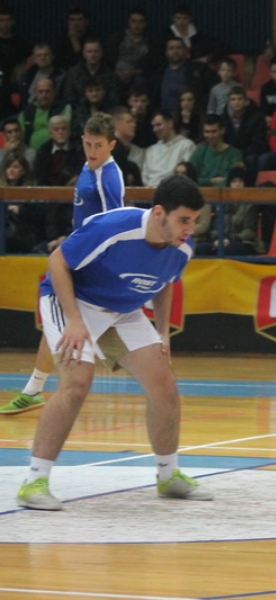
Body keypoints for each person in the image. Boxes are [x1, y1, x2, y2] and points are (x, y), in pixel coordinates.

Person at [14, 174, 213, 510]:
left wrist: (162, 331)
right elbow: (57, 262)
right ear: (159, 213)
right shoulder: (114, 227)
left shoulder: (183, 248)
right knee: (77, 382)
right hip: (73, 301)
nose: (189, 229)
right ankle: (34, 481)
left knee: (164, 385)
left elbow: (165, 282)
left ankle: (168, 476)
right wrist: (74, 320)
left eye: (194, 221)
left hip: (122, 310)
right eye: (183, 220)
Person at [2, 113, 124, 416]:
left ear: (112, 145)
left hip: (89, 261)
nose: (92, 150)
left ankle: (112, 355)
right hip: (78, 252)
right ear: (82, 140)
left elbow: (115, 227)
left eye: (99, 145)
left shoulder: (108, 178)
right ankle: (33, 390)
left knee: (63, 316)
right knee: (57, 323)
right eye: (88, 144)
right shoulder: (88, 166)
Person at [143, 109, 197, 188]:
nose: (155, 130)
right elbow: (145, 177)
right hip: (150, 191)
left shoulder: (186, 145)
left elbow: (188, 175)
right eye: (153, 126)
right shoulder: (151, 150)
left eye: (159, 125)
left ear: (170, 123)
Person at [62, 37, 119, 107]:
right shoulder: (73, 73)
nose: (93, 55)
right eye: (89, 52)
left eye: (96, 51)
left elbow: (113, 98)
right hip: (79, 110)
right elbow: (69, 97)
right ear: (84, 54)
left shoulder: (110, 74)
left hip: (104, 110)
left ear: (101, 53)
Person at [189, 114, 243, 187]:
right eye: (207, 132)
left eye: (214, 131)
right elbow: (189, 179)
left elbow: (234, 181)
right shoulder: (198, 153)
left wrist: (202, 181)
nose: (210, 136)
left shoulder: (235, 154)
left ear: (222, 131)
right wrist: (211, 181)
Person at [19, 78, 71, 151]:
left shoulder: (63, 108)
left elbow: (65, 132)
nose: (44, 95)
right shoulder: (26, 112)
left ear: (54, 93)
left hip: (57, 151)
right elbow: (19, 136)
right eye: (40, 92)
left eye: (48, 91)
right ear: (35, 94)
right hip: (30, 152)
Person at [106, 7, 150, 89]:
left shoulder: (149, 44)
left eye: (140, 22)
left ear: (145, 24)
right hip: (115, 74)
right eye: (133, 21)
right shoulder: (117, 39)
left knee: (140, 82)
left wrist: (130, 73)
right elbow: (108, 61)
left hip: (136, 76)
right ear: (129, 22)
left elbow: (147, 68)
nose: (137, 25)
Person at [33, 116, 84, 187]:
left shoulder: (79, 150)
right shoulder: (43, 151)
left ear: (69, 131)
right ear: (50, 134)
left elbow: (82, 171)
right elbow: (38, 175)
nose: (60, 132)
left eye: (64, 129)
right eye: (56, 129)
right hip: (46, 190)